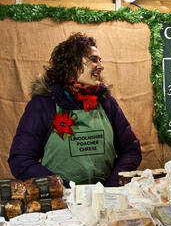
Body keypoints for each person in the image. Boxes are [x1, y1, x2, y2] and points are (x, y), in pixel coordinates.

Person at [8, 32, 142, 187]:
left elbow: (131, 150)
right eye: (93, 60)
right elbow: (21, 160)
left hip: (104, 198)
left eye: (100, 60)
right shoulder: (44, 104)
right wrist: (61, 187)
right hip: (63, 202)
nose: (101, 66)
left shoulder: (106, 103)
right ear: (72, 64)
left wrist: (111, 186)